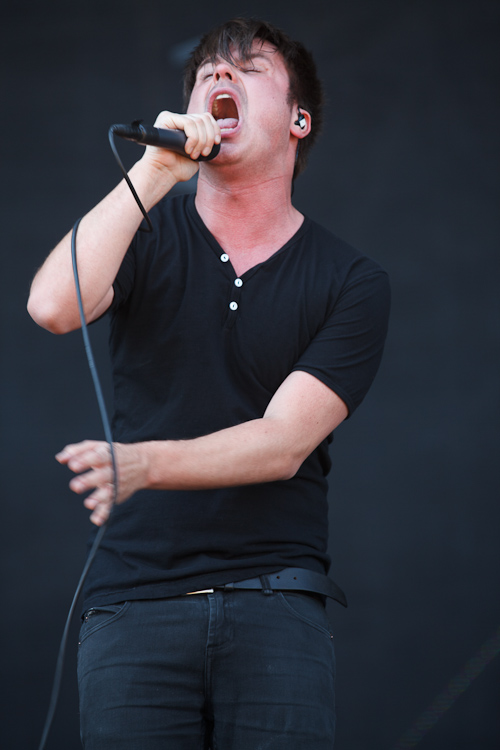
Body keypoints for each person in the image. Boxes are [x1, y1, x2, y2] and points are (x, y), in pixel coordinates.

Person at [28, 17, 390, 750]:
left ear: (298, 120)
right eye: (207, 73)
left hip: (275, 604)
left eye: (249, 68)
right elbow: (53, 307)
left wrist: (143, 464)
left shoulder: (351, 280)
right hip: (132, 606)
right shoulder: (145, 234)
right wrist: (156, 172)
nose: (221, 75)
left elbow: (283, 443)